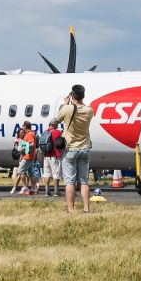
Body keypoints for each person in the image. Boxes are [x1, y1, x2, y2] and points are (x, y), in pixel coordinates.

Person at [56, 84, 95, 213]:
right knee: (84, 181)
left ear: (72, 96)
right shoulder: (89, 110)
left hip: (70, 149)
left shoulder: (67, 109)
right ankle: (86, 208)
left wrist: (66, 104)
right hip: (84, 148)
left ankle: (71, 209)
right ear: (83, 96)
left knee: (70, 182)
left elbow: (56, 120)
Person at [39, 119, 63, 197]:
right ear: (55, 125)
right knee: (56, 174)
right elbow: (61, 143)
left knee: (47, 174)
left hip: (46, 156)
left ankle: (46, 191)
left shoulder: (45, 132)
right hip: (55, 156)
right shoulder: (57, 132)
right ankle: (56, 191)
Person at [18, 122, 38, 195]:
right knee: (31, 174)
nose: (22, 127)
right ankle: (34, 189)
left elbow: (32, 144)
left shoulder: (29, 134)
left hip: (27, 157)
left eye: (23, 126)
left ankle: (25, 187)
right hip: (29, 156)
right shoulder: (30, 133)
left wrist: (24, 148)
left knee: (21, 171)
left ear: (25, 126)